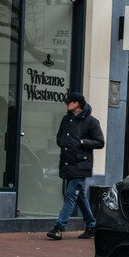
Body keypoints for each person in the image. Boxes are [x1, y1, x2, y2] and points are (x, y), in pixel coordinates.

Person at [47, 92, 105, 240]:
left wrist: (82, 142)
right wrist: (63, 143)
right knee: (80, 196)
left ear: (77, 104)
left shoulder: (91, 121)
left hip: (81, 165)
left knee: (71, 195)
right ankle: (91, 225)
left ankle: (59, 228)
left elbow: (100, 142)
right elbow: (59, 137)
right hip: (67, 163)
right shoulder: (66, 119)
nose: (66, 104)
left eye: (69, 102)